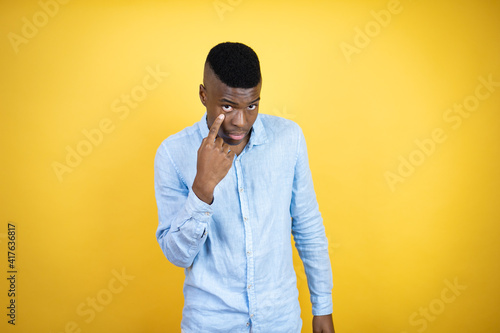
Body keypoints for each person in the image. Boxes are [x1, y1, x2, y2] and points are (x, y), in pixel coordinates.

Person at [154, 41, 335, 333]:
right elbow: (178, 255)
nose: (241, 122)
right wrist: (203, 188)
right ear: (203, 94)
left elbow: (307, 225)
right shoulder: (173, 154)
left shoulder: (289, 138)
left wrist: (322, 306)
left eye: (252, 105)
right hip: (210, 324)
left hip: (281, 321)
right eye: (227, 106)